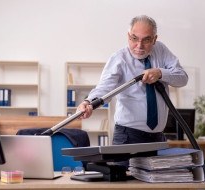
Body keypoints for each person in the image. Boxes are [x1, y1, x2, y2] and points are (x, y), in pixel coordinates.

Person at [77, 15, 188, 166]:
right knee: (124, 187)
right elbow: (105, 88)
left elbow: (182, 78)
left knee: (156, 187)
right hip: (128, 136)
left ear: (154, 40)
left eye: (146, 40)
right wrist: (88, 102)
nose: (139, 45)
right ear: (128, 36)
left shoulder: (161, 50)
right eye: (134, 38)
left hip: (157, 137)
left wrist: (161, 73)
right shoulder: (119, 58)